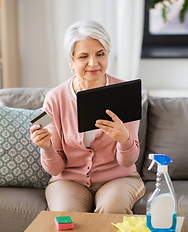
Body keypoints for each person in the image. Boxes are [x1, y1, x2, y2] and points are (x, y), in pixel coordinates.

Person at [30, 20, 145, 214]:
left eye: (100, 54)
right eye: (84, 56)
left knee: (112, 209)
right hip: (69, 180)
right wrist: (47, 148)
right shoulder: (55, 99)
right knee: (67, 217)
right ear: (71, 62)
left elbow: (128, 161)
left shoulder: (126, 93)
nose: (93, 63)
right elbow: (56, 169)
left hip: (118, 178)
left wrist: (124, 139)